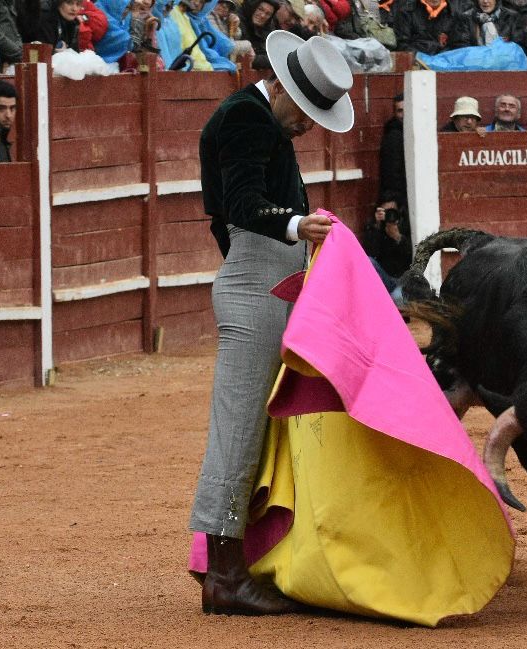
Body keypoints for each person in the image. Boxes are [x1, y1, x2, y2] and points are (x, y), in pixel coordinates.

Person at [191, 31, 354, 616]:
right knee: (238, 430)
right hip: (256, 289)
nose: (309, 126)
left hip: (270, 283)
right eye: (305, 112)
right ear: (281, 86)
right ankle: (226, 578)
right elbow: (238, 203)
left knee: (258, 431)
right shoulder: (244, 119)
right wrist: (292, 227)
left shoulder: (260, 119)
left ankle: (231, 566)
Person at [361, 201, 411, 303]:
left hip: (404, 279)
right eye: (386, 212)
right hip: (385, 279)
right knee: (369, 261)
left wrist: (398, 238)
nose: (390, 215)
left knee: (398, 297)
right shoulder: (376, 229)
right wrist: (377, 226)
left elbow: (411, 255)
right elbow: (369, 254)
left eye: (392, 211)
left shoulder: (406, 226)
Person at [394, 0, 472, 55]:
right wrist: (419, 57)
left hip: (445, 64)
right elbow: (402, 44)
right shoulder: (406, 12)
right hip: (416, 64)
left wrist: (443, 57)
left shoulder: (454, 13)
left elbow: (461, 45)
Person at [378, 92, 406, 210]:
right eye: (400, 111)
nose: (403, 114)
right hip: (400, 198)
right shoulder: (394, 136)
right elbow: (390, 170)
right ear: (395, 113)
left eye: (406, 109)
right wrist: (391, 198)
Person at [239, 0, 277, 68]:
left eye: (268, 14)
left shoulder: (267, 29)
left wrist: (256, 59)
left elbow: (273, 58)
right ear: (252, 6)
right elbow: (244, 57)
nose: (262, 15)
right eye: (260, 9)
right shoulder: (238, 20)